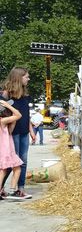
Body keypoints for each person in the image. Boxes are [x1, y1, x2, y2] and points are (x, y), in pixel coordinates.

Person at [0, 67, 35, 199]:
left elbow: (27, 115)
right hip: (11, 133)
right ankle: (2, 188)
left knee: (23, 161)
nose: (28, 79)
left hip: (24, 133)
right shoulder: (5, 95)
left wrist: (31, 130)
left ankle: (19, 189)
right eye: (26, 76)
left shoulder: (25, 96)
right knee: (10, 162)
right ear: (19, 77)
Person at [0, 99, 27, 200]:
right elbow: (18, 115)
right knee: (14, 169)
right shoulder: (2, 121)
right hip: (6, 149)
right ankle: (12, 190)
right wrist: (8, 105)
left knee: (5, 170)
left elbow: (10, 130)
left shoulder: (3, 122)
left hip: (5, 149)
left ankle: (7, 190)